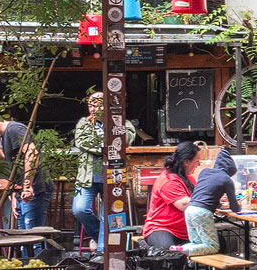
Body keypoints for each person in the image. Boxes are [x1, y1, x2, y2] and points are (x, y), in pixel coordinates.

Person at [0, 107, 55, 256]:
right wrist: (15, 195)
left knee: (32, 236)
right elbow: (16, 168)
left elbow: (32, 153)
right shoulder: (4, 136)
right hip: (23, 191)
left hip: (35, 188)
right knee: (23, 238)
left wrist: (27, 186)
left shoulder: (14, 129)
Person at [71, 92, 135, 251]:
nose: (93, 108)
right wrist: (107, 148)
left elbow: (125, 140)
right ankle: (101, 235)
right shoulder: (84, 123)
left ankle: (102, 251)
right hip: (87, 177)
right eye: (90, 105)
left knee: (111, 215)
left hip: (113, 177)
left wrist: (110, 123)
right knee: (79, 209)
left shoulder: (122, 122)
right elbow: (83, 142)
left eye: (97, 105)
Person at [142, 141, 201, 248]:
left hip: (186, 231)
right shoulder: (169, 180)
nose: (199, 164)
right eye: (197, 161)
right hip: (162, 228)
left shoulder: (189, 178)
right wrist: (210, 198)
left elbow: (199, 195)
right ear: (186, 162)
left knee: (218, 243)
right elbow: (183, 205)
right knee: (169, 252)